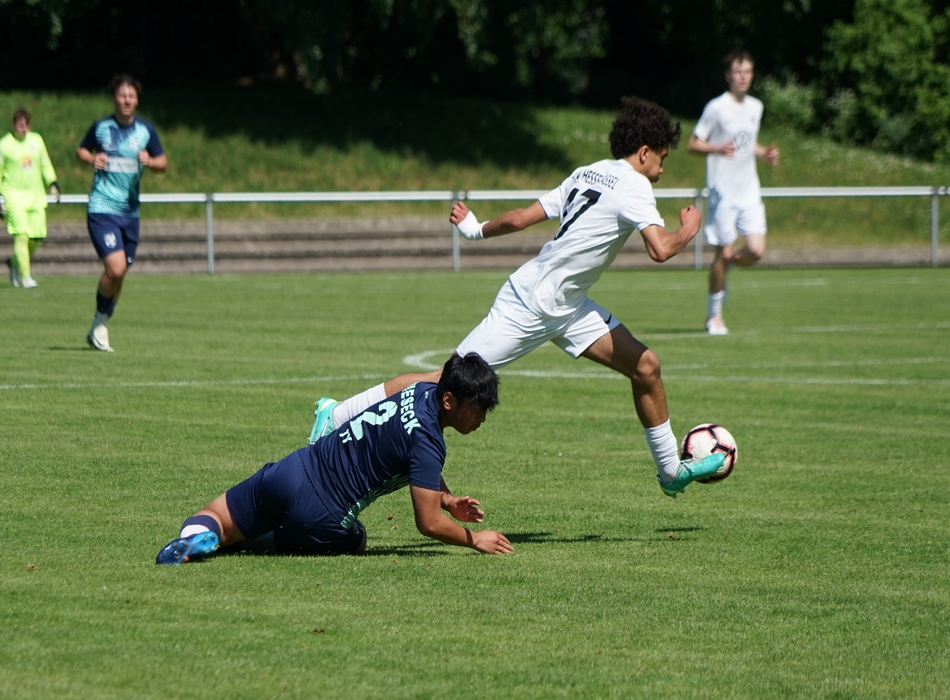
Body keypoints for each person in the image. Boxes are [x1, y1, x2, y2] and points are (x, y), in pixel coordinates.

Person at [309, 97, 726, 499]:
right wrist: (689, 229)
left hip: (567, 305)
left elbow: (522, 218)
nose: (662, 169)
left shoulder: (588, 172)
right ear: (644, 151)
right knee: (443, 381)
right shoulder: (635, 185)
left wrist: (476, 229)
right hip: (530, 305)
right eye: (662, 158)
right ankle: (338, 413)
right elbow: (660, 249)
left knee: (646, 367)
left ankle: (670, 471)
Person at [156, 354, 513, 564]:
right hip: (321, 515)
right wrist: (475, 539)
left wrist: (447, 499)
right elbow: (429, 524)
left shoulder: (419, 391)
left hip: (292, 469)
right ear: (449, 401)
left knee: (215, 515)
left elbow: (416, 465)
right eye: (478, 408)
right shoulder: (429, 442)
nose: (482, 418)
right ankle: (243, 541)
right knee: (357, 540)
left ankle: (198, 537)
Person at [687, 50, 780, 336]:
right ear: (728, 75)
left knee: (756, 251)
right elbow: (693, 144)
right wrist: (716, 148)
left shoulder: (756, 107)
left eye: (748, 71)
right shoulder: (716, 108)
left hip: (749, 191)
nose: (743, 76)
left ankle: (725, 271)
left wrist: (764, 154)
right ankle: (714, 317)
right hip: (722, 193)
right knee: (723, 253)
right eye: (738, 71)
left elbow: (746, 143)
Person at [77, 74, 167, 352]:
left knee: (120, 273)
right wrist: (92, 158)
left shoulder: (146, 130)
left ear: (136, 100)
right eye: (122, 95)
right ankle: (100, 323)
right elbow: (81, 150)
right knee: (115, 269)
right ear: (114, 98)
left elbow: (163, 163)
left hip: (130, 212)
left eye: (131, 96)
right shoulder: (101, 128)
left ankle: (100, 324)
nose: (127, 100)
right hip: (102, 208)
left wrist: (150, 161)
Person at [0, 109, 60, 289]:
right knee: (21, 236)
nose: (23, 128)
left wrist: (52, 181)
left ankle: (14, 262)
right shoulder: (4, 145)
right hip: (14, 197)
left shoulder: (36, 141)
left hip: (36, 196)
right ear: (13, 125)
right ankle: (25, 276)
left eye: (26, 125)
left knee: (37, 237)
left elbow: (45, 163)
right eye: (20, 125)